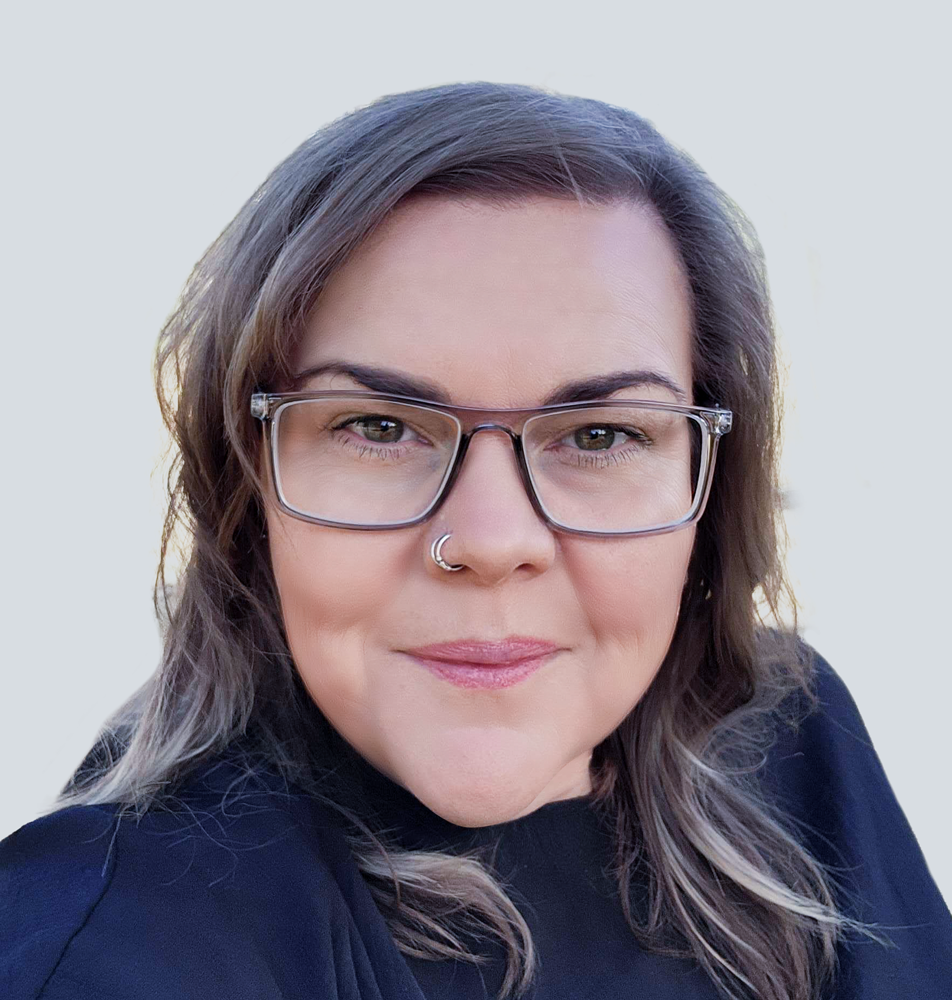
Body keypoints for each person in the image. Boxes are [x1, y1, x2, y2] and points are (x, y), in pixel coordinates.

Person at [1, 82, 949, 1000]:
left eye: (602, 435)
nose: (491, 541)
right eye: (377, 426)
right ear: (247, 482)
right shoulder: (129, 925)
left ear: (709, 490)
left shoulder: (789, 735)